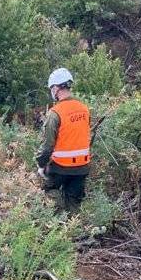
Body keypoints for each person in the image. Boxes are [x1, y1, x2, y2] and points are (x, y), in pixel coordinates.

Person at [35, 68, 91, 212]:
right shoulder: (84, 109)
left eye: (51, 88)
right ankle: (74, 229)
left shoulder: (55, 113)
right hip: (82, 167)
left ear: (55, 88)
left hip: (60, 167)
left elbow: (47, 146)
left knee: (49, 189)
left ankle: (58, 220)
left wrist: (41, 165)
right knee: (74, 204)